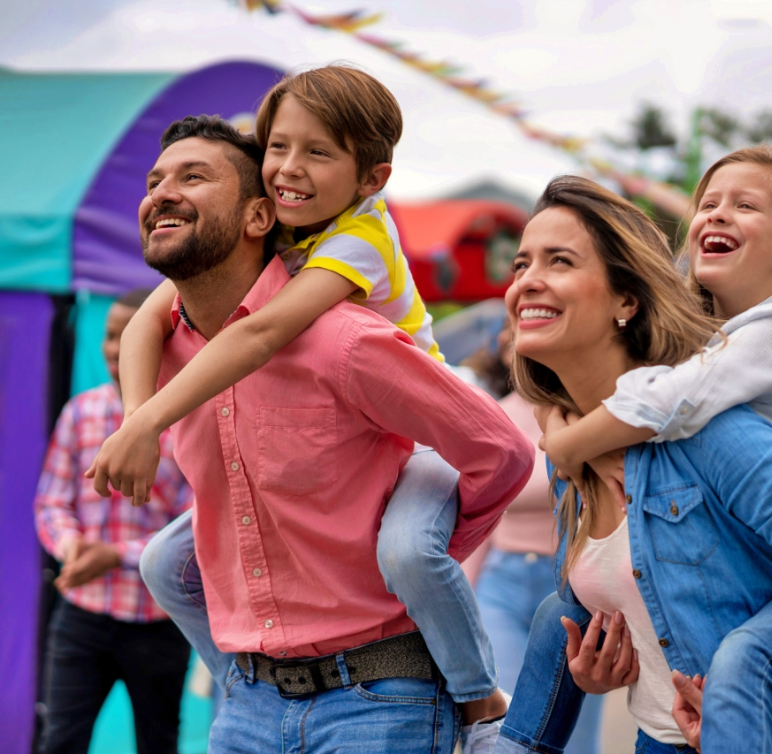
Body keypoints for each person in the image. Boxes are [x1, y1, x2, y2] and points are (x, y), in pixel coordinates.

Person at [88, 66, 513, 747]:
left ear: (371, 179)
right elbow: (144, 320)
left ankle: (478, 699)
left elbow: (261, 333)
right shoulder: (285, 230)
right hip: (263, 703)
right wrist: (140, 419)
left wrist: (148, 420)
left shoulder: (357, 243)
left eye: (318, 152)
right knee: (163, 564)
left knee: (405, 549)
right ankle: (236, 676)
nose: (288, 168)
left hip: (421, 432)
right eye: (277, 146)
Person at [521, 147, 772, 753]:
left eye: (744, 205)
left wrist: (569, 439)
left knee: (741, 663)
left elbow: (668, 400)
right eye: (707, 204)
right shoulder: (711, 350)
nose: (716, 215)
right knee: (559, 612)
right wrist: (559, 420)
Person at [34, 289, 192, 754]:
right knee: (60, 740)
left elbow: (195, 526)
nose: (114, 348)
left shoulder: (187, 420)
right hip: (82, 614)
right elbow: (52, 502)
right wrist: (72, 549)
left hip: (158, 620)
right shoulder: (81, 412)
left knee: (157, 742)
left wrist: (114, 556)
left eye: (128, 336)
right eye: (108, 335)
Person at [463, 324, 606, 754]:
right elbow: (476, 516)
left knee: (574, 739)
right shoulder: (487, 414)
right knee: (506, 730)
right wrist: (464, 597)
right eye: (510, 331)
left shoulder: (586, 415)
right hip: (500, 584)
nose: (517, 338)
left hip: (568, 586)